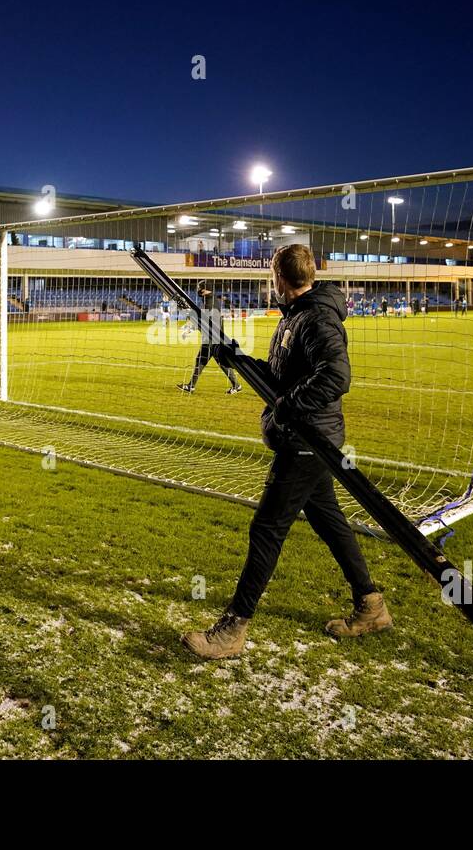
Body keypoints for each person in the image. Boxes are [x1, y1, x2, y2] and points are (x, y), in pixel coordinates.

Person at [182, 244, 390, 659]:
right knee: (329, 522)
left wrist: (290, 406)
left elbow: (335, 375)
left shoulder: (315, 317)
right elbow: (280, 379)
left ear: (278, 275)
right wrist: (238, 357)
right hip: (309, 438)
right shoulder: (298, 315)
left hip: (308, 442)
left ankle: (233, 629)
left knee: (266, 529)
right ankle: (371, 605)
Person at [177, 284, 241, 394]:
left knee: (204, 360)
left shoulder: (209, 302)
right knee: (211, 361)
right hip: (214, 337)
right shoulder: (212, 300)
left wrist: (189, 328)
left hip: (211, 338)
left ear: (206, 289)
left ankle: (191, 386)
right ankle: (236, 385)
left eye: (201, 289)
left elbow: (204, 321)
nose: (199, 291)